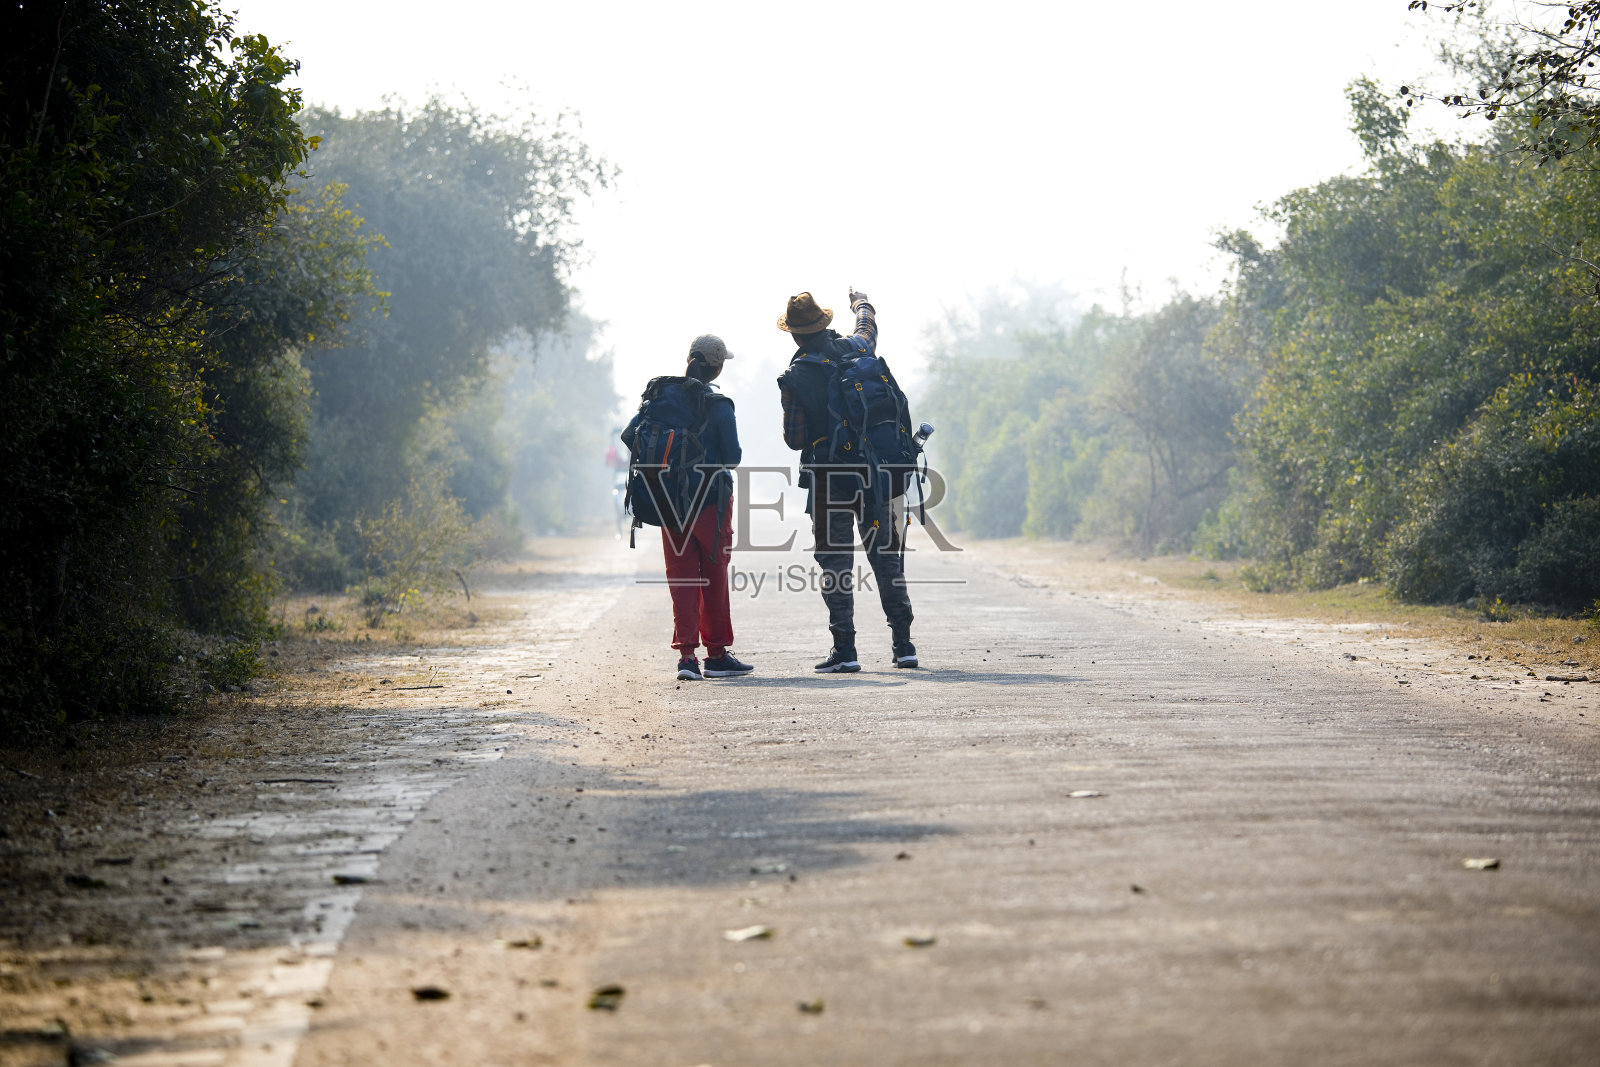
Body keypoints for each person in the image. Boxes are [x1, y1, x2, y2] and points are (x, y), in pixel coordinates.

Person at [776, 289, 917, 673]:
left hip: (830, 480)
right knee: (885, 557)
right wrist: (861, 303)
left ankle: (846, 650)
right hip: (874, 473)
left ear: (795, 335)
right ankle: (903, 644)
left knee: (836, 563)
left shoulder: (796, 376)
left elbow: (795, 439)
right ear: (824, 323)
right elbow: (867, 327)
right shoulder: (857, 347)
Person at [622, 335, 755, 681]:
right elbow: (733, 457)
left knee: (681, 576)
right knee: (714, 576)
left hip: (668, 501)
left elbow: (628, 435)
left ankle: (687, 658)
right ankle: (717, 655)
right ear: (718, 367)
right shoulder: (719, 405)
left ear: (689, 360)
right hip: (711, 502)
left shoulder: (660, 398)